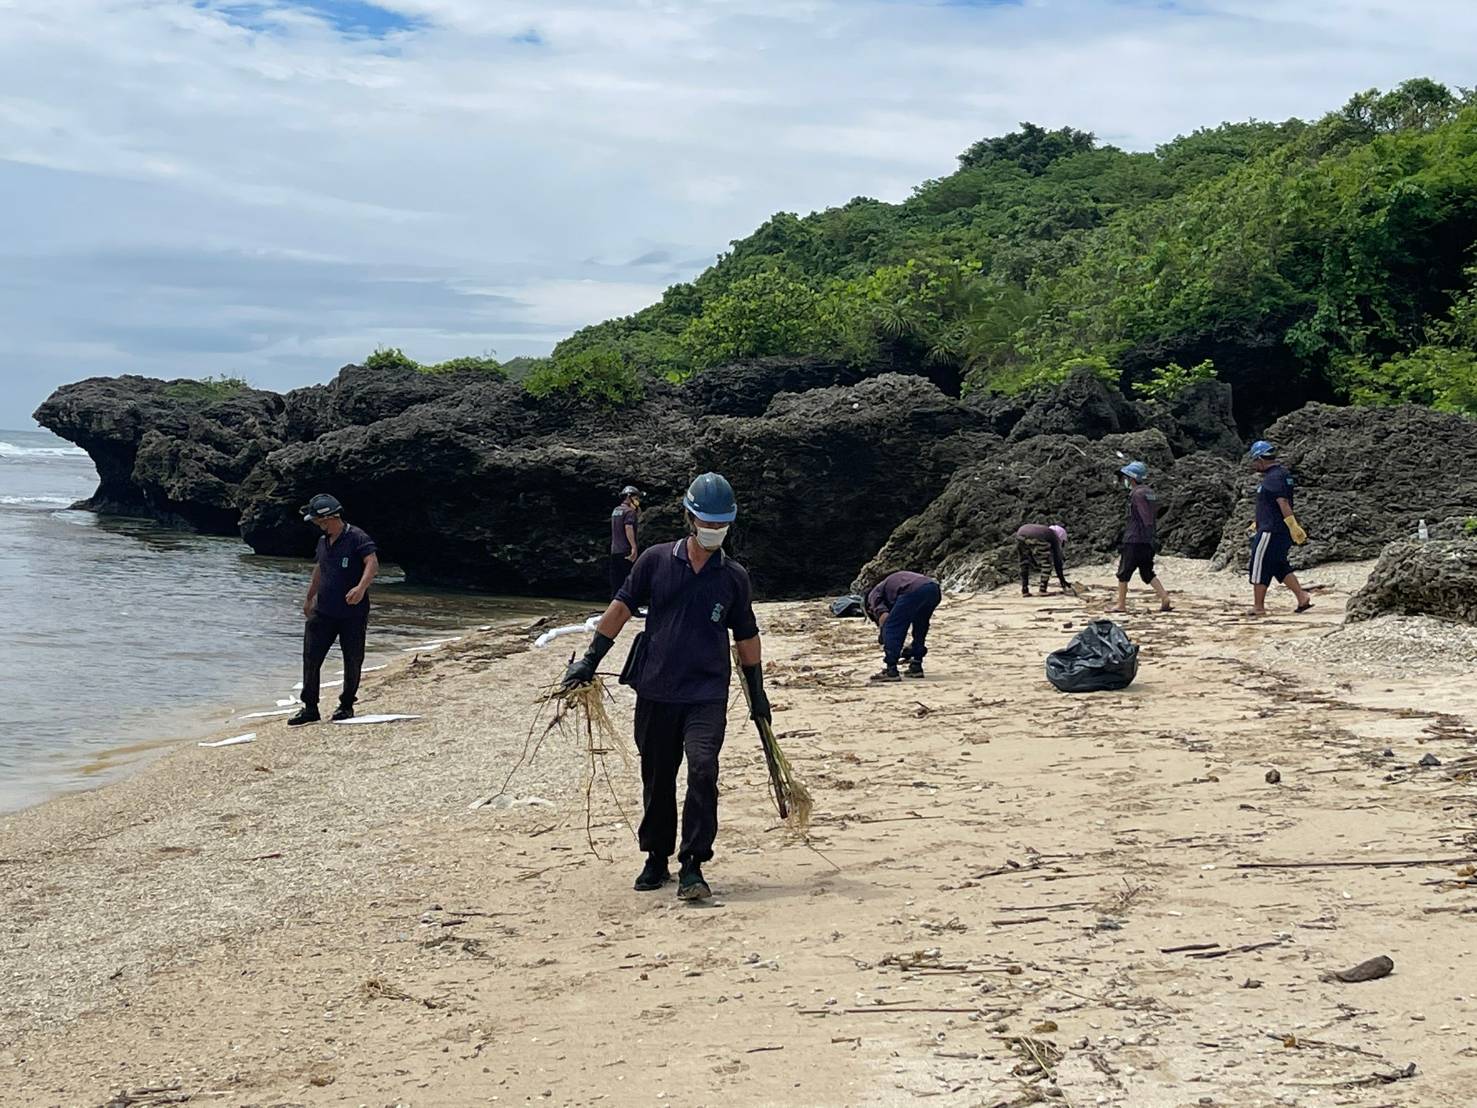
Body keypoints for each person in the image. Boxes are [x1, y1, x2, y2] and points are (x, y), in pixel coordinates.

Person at [562, 472, 766, 902]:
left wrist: (758, 691)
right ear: (690, 517)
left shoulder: (733, 577)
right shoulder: (654, 560)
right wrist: (590, 659)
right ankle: (657, 856)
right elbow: (620, 608)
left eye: (721, 524)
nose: (714, 531)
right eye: (707, 523)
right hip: (655, 690)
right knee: (657, 776)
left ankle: (693, 863)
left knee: (703, 769)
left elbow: (746, 635)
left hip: (707, 694)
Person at [289, 494, 379, 726]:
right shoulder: (322, 542)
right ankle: (310, 707)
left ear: (329, 518)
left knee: (352, 659)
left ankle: (346, 705)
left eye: (318, 520)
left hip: (352, 612)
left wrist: (360, 588)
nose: (316, 524)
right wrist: (309, 598)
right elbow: (319, 569)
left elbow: (372, 562)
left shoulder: (357, 537)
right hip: (324, 611)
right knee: (311, 657)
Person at [1247, 441, 1313, 615]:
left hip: (1271, 530)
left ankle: (1258, 607)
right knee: (1278, 564)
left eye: (1254, 461)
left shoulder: (1273, 478)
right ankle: (1302, 597)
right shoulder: (1282, 474)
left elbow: (1282, 502)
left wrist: (1293, 525)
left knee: (1258, 564)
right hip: (1276, 528)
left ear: (1261, 459)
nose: (1254, 465)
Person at [1111, 461, 1172, 614]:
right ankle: (1164, 597)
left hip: (1134, 539)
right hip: (1148, 540)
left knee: (1124, 572)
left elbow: (1145, 517)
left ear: (1131, 478)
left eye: (1125, 477)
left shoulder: (1136, 494)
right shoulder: (1150, 492)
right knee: (1147, 571)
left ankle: (1121, 604)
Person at [865, 571, 942, 682]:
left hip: (913, 591)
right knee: (920, 626)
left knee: (893, 627)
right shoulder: (891, 584)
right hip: (933, 588)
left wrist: (884, 634)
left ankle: (891, 670)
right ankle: (916, 665)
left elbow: (885, 617)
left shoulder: (873, 594)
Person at [1014, 523, 1072, 596]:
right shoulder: (1054, 536)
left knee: (1024, 561)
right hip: (1036, 535)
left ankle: (1024, 590)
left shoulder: (1045, 530)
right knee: (1046, 563)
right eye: (1063, 542)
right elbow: (1057, 562)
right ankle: (1042, 589)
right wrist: (1062, 581)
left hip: (1020, 532)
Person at [608, 485, 641, 599]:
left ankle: (614, 605)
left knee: (616, 580)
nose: (637, 500)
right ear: (629, 497)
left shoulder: (616, 510)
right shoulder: (629, 512)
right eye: (636, 497)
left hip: (615, 550)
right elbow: (628, 528)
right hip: (625, 550)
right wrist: (633, 547)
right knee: (630, 579)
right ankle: (631, 606)